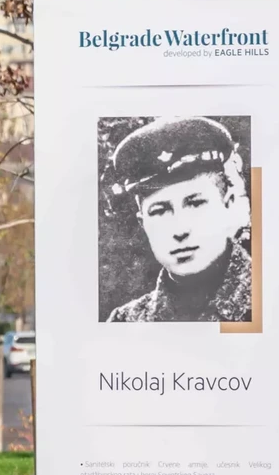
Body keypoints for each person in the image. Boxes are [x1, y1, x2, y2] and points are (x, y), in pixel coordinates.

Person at [104, 116, 252, 323]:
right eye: (160, 211)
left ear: (228, 204)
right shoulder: (126, 321)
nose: (180, 230)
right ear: (143, 224)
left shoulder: (273, 298)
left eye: (196, 204)